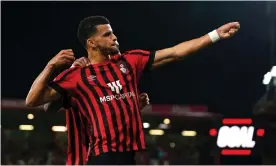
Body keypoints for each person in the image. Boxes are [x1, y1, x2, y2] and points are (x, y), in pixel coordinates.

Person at [26, 15, 240, 164]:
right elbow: (34, 101)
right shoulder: (78, 75)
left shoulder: (129, 61)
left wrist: (215, 35)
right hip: (103, 157)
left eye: (113, 33)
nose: (114, 38)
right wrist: (51, 65)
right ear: (91, 43)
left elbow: (175, 53)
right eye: (107, 35)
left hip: (130, 154)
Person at [44, 57, 150, 165]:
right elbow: (49, 107)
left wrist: (133, 107)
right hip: (85, 157)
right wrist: (72, 70)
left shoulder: (109, 95)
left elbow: (113, 119)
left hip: (108, 156)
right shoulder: (78, 87)